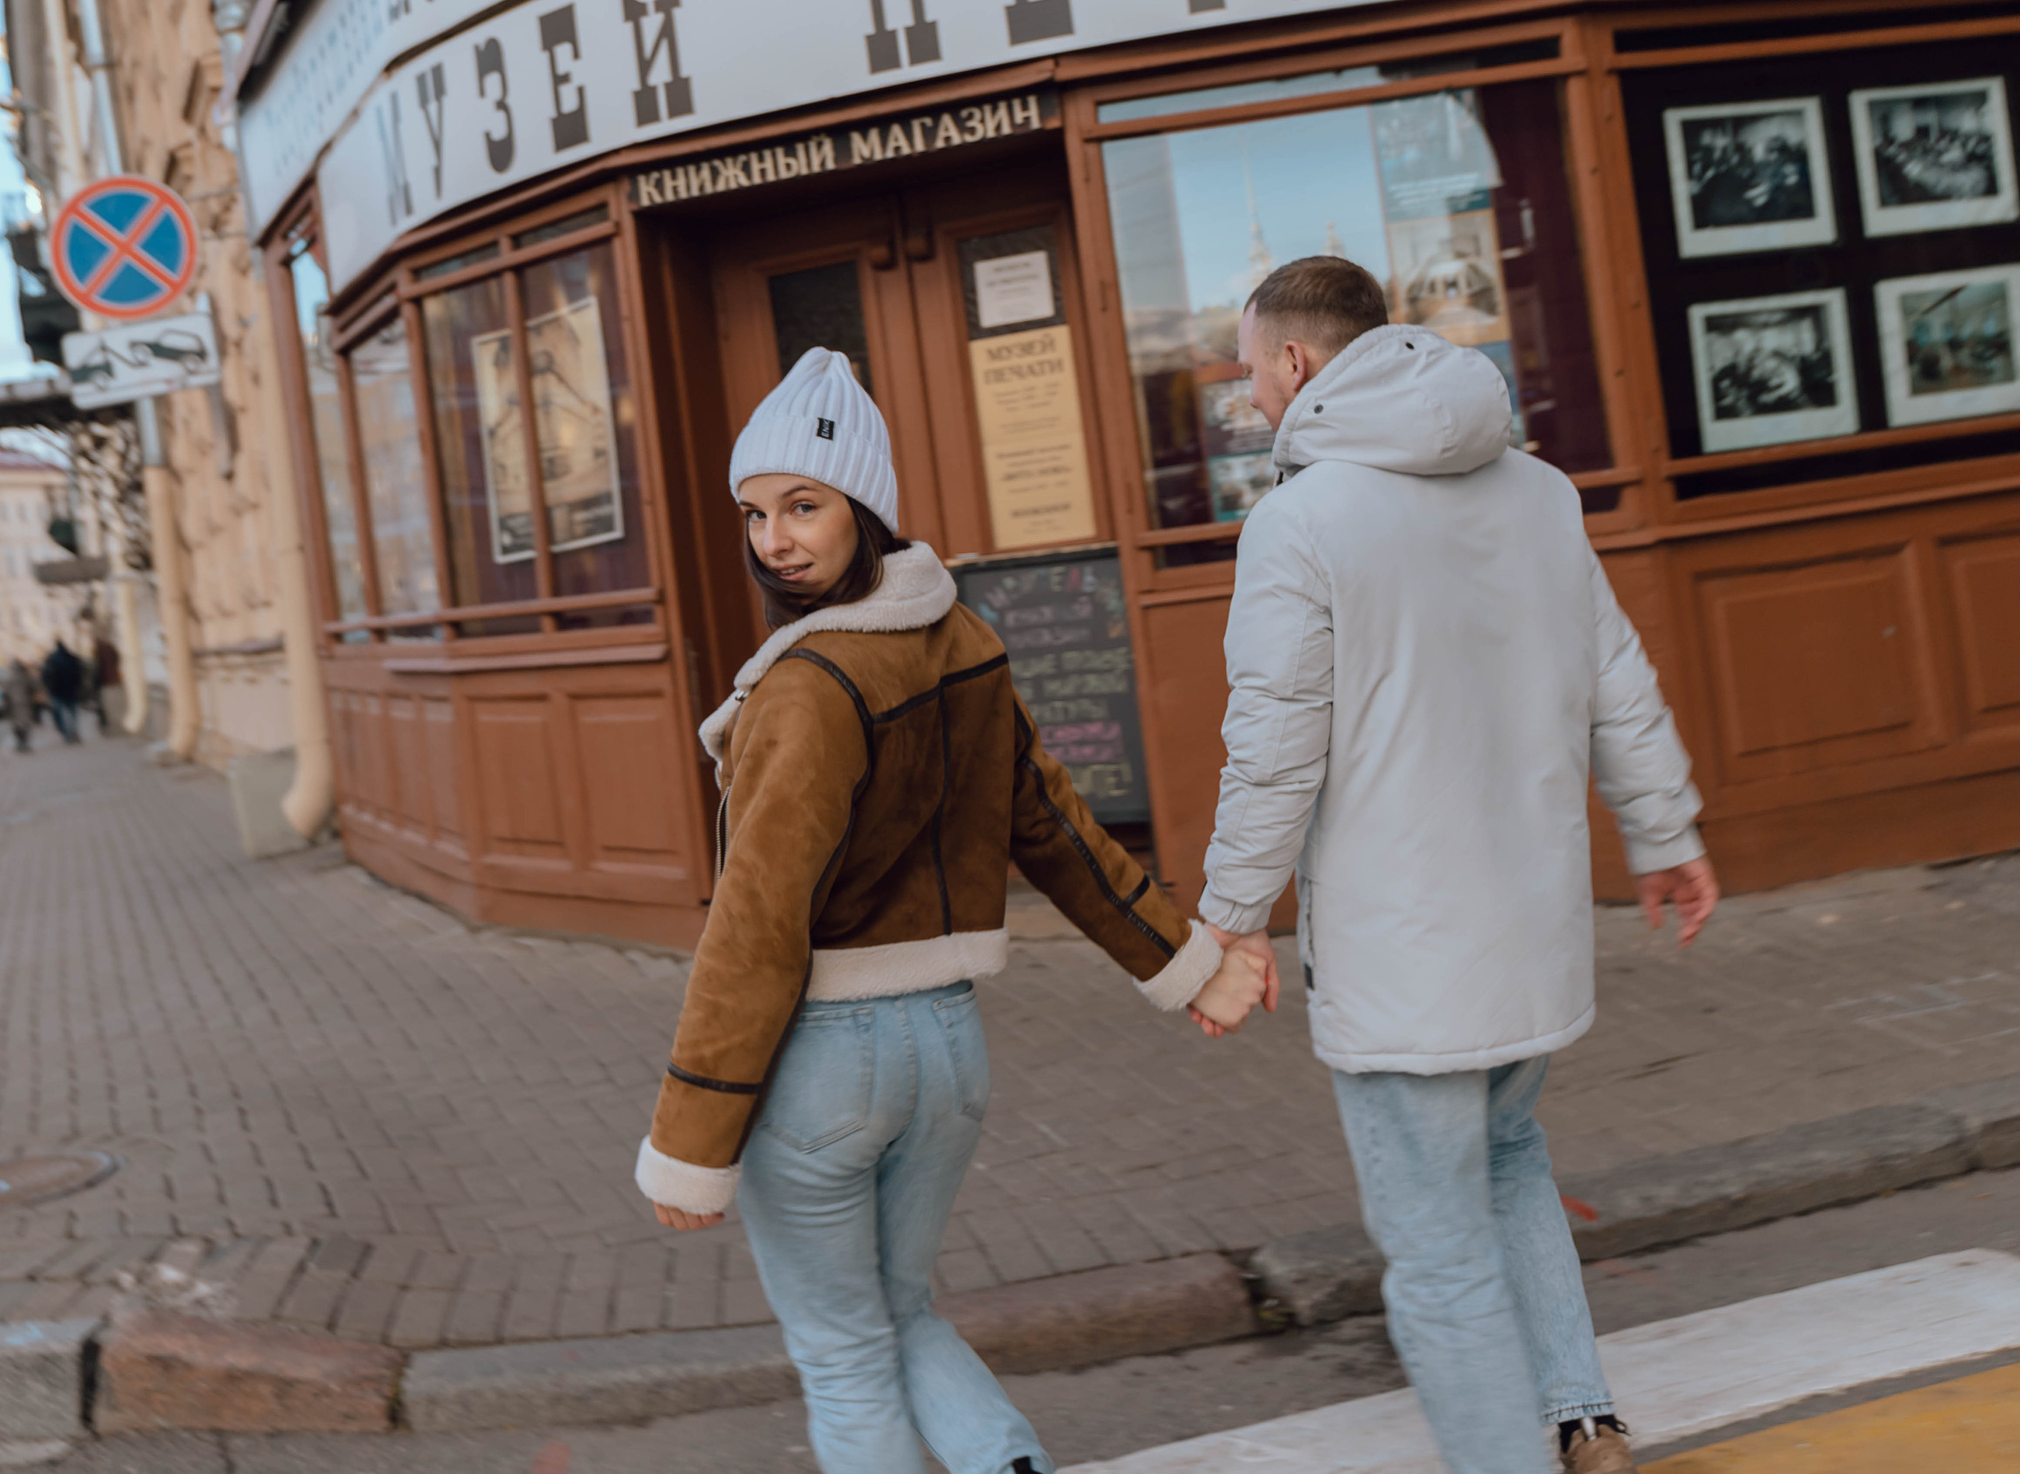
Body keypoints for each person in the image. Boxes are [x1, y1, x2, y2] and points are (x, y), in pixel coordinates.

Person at [634, 347, 1272, 1474]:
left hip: (825, 1065)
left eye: (802, 505)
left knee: (839, 1352)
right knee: (900, 1310)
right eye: (753, 512)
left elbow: (755, 925)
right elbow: (1055, 827)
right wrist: (1185, 963)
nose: (774, 537)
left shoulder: (806, 686)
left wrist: (689, 1140)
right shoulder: (961, 641)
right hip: (946, 1056)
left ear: (863, 507)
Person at [1197, 258, 1719, 1474]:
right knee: (1509, 1155)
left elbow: (1275, 749)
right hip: (1528, 930)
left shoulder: (1298, 522)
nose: (1249, 396)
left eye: (1249, 368)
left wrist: (1229, 919)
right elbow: (1617, 683)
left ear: (1296, 363)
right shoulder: (1537, 492)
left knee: (1435, 1260)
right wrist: (1665, 833)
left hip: (1400, 957)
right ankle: (1579, 1415)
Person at [39, 639, 86, 745]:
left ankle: (67, 735)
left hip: (57, 692)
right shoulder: (71, 658)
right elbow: (79, 674)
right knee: (72, 713)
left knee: (61, 714)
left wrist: (49, 688)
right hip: (71, 691)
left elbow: (46, 676)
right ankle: (73, 731)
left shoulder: (51, 660)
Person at [2, 657, 39, 753]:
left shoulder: (7, 678)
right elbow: (34, 687)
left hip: (12, 705)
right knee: (25, 724)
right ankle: (24, 743)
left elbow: (4, 694)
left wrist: (6, 706)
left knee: (16, 725)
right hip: (25, 703)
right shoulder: (25, 676)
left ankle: (20, 743)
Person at [91, 633, 122, 734]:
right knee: (113, 706)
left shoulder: (98, 651)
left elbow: (97, 668)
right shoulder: (108, 648)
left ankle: (110, 725)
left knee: (108, 707)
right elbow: (117, 658)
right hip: (113, 680)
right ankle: (112, 725)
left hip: (105, 683)